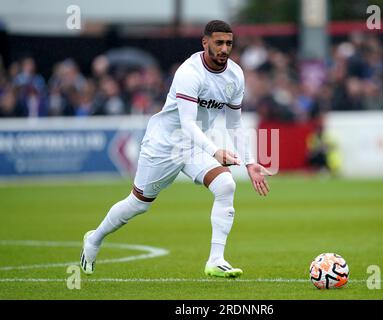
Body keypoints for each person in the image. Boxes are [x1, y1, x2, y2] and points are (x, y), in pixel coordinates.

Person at [80, 20, 271, 278]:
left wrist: (250, 162)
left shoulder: (235, 74)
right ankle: (94, 238)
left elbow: (234, 122)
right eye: (219, 43)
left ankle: (216, 259)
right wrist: (215, 151)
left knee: (226, 186)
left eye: (229, 43)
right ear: (205, 43)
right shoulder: (189, 72)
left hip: (194, 147)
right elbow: (187, 123)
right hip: (165, 144)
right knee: (138, 204)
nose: (225, 48)